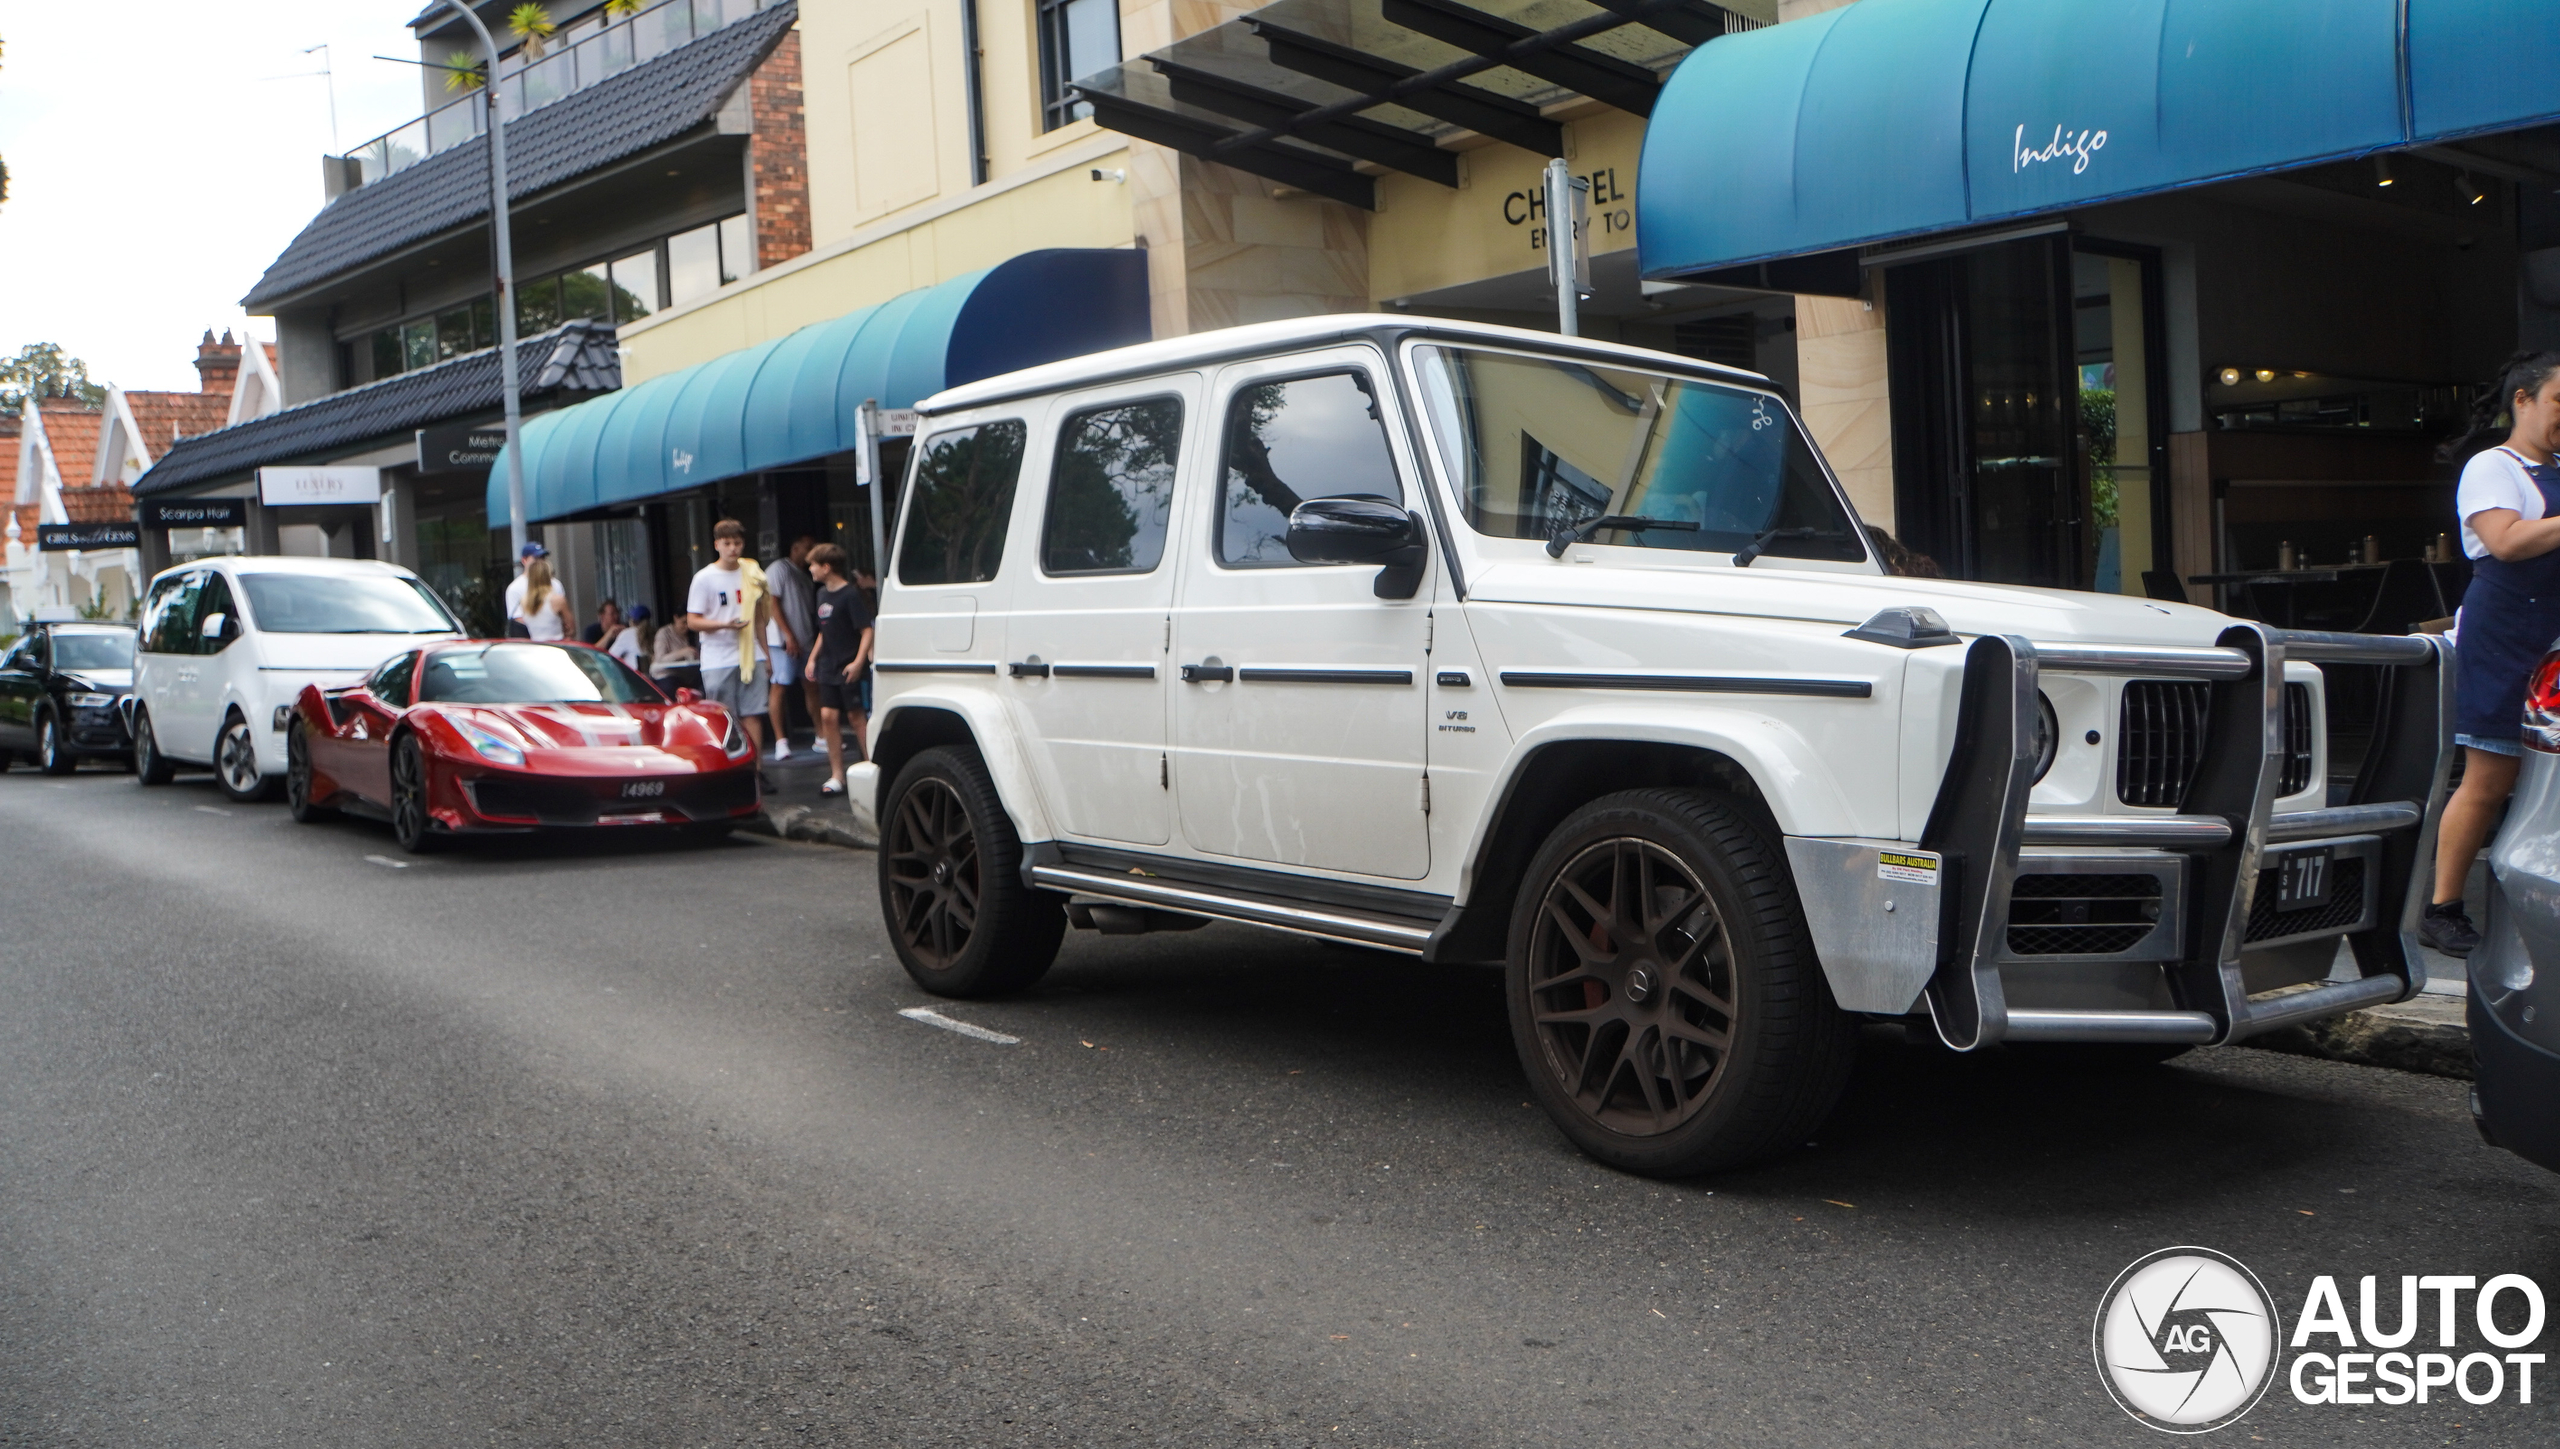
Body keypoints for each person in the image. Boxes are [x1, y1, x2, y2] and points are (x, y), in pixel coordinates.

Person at [2423, 351, 2560, 956]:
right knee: (2491, 777)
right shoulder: (2491, 467)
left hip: (2553, 639)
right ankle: (2442, 906)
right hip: (2505, 638)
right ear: (2523, 401)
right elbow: (2505, 542)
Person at [685, 519, 775, 755]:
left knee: (753, 714)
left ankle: (755, 768)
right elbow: (692, 620)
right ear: (717, 545)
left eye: (737, 543)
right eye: (727, 543)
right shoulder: (704, 578)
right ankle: (730, 765)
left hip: (750, 653)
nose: (733, 548)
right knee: (723, 715)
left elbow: (758, 620)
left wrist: (766, 654)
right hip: (718, 657)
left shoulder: (751, 573)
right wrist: (724, 624)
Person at [805, 543, 876, 797]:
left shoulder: (851, 595)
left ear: (826, 567)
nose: (810, 569)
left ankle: (871, 768)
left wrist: (858, 662)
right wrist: (813, 658)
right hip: (828, 666)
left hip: (848, 665)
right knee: (828, 717)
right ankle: (837, 774)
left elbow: (866, 630)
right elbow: (824, 631)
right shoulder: (821, 594)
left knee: (857, 718)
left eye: (813, 565)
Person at [763, 536, 816, 760]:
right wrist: (788, 635)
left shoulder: (805, 574)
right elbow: (772, 603)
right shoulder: (779, 569)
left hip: (805, 639)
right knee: (779, 686)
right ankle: (780, 741)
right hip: (783, 641)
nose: (811, 551)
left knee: (812, 685)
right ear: (795, 548)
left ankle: (821, 735)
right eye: (807, 547)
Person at [513, 554, 573, 641]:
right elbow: (571, 629)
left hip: (536, 645)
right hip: (557, 645)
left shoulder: (524, 601)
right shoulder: (557, 600)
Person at [501, 540, 549, 638]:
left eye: (543, 558)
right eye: (536, 558)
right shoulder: (515, 588)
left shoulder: (556, 584)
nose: (541, 562)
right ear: (524, 560)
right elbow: (518, 619)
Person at [650, 618, 700, 692]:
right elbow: (660, 658)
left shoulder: (693, 634)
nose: (686, 627)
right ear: (676, 618)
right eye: (684, 623)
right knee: (671, 687)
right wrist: (682, 653)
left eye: (688, 624)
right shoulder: (664, 633)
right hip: (666, 674)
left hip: (687, 675)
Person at [609, 604, 649, 672]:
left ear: (632, 620)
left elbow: (611, 656)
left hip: (634, 675)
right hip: (652, 677)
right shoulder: (655, 632)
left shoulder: (627, 633)